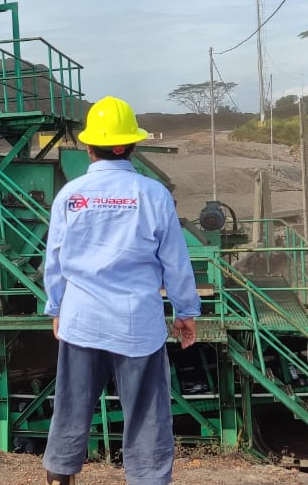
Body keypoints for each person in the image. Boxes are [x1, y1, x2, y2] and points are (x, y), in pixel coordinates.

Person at [41, 96, 200, 485]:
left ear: (90, 146)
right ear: (129, 144)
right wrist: (185, 312)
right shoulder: (153, 194)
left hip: (81, 320)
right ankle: (147, 477)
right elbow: (176, 262)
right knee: (147, 413)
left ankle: (60, 476)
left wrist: (56, 308)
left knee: (71, 407)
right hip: (136, 324)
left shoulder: (70, 196)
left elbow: (54, 260)